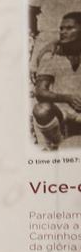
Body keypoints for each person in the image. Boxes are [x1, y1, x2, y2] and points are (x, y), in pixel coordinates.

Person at [33, 12, 81, 150]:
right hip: (63, 112)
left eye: (69, 28)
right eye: (61, 28)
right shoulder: (51, 55)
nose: (63, 32)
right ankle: (57, 143)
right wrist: (67, 98)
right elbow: (40, 91)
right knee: (41, 110)